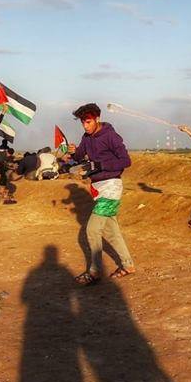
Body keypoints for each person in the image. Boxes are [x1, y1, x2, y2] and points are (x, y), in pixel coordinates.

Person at [70, 103, 135, 285]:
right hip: (98, 188)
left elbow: (126, 161)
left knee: (92, 229)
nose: (85, 126)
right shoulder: (86, 137)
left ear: (97, 119)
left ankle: (95, 271)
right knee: (111, 231)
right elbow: (79, 156)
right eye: (83, 123)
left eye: (88, 122)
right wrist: (73, 152)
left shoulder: (111, 136)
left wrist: (100, 165)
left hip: (112, 187)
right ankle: (128, 265)